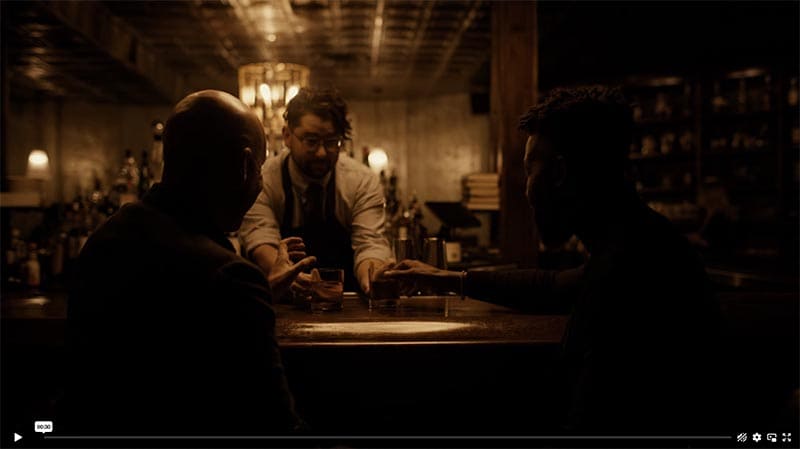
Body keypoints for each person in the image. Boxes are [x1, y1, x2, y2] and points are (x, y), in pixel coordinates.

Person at [384, 86, 721, 434]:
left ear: (559, 173)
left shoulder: (628, 273)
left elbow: (595, 428)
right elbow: (554, 285)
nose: (526, 189)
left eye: (529, 170)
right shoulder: (636, 243)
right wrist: (445, 278)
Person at [63, 90, 315, 435]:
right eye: (259, 169)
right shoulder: (232, 278)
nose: (259, 183)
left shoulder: (105, 238)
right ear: (245, 166)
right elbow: (276, 428)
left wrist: (261, 296)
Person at [239, 87, 392, 296]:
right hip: (282, 299)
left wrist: (371, 279)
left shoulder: (361, 181)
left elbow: (370, 244)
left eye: (332, 142)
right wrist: (287, 274)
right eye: (311, 141)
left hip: (343, 299)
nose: (321, 153)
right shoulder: (264, 179)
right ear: (287, 136)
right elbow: (260, 240)